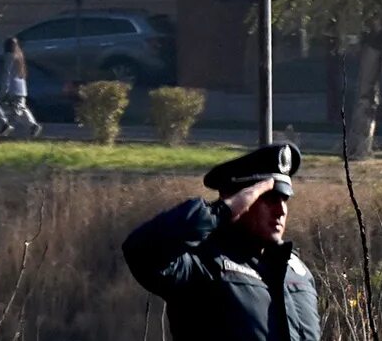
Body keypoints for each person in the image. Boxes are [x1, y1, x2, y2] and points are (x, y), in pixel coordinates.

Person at [123, 143, 319, 339]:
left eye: (284, 199)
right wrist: (220, 211)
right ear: (238, 200)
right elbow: (141, 250)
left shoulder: (297, 272)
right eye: (269, 199)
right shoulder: (202, 262)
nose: (281, 210)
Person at [0, 36, 40, 138]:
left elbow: (7, 73)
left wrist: (4, 89)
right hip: (21, 88)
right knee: (20, 109)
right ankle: (31, 125)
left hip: (12, 88)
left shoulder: (9, 56)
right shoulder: (20, 56)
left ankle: (4, 126)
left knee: (12, 110)